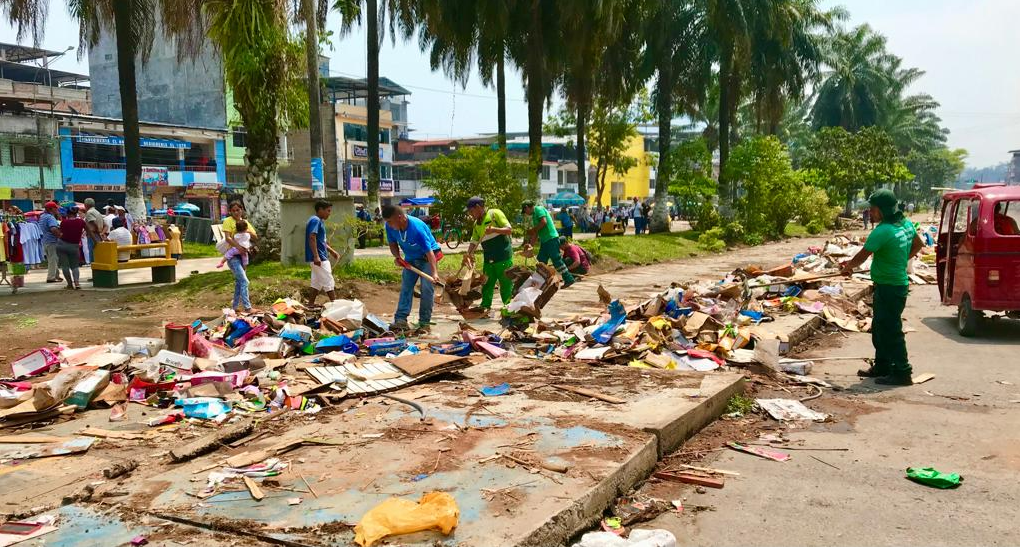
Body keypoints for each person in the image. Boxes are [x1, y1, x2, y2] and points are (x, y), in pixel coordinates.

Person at [841, 189, 924, 386]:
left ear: (883, 210)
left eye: (873, 209)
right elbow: (919, 244)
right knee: (880, 328)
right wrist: (900, 259)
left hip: (890, 287)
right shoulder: (905, 224)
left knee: (891, 330)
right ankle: (882, 365)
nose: (870, 212)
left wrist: (848, 268)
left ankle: (902, 372)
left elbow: (862, 255)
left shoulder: (882, 231)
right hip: (892, 286)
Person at [382, 204, 443, 332]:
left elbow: (429, 253)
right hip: (410, 258)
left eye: (390, 221)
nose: (388, 225)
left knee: (427, 288)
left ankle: (424, 323)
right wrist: (398, 257)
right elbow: (393, 244)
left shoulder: (417, 228)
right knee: (406, 286)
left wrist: (434, 273)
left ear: (400, 217)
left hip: (427, 258)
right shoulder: (390, 226)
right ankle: (401, 320)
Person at [463, 196, 514, 312]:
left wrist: (494, 230)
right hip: (488, 258)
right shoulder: (476, 224)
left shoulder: (494, 214)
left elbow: (509, 229)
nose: (470, 214)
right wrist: (468, 254)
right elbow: (474, 241)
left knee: (505, 284)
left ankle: (509, 308)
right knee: (486, 283)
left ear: (478, 207)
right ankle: (485, 306)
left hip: (503, 257)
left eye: (471, 211)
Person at [522, 201, 576, 288]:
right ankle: (539, 282)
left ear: (527, 207)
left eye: (525, 211)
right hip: (545, 241)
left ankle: (569, 278)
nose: (526, 213)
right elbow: (536, 233)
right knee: (541, 261)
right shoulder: (534, 216)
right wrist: (530, 246)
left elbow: (544, 222)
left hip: (551, 238)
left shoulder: (538, 209)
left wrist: (533, 229)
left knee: (556, 260)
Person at [306, 200, 341, 305]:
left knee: (316, 283)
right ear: (320, 209)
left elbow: (321, 242)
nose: (329, 213)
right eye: (328, 211)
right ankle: (335, 305)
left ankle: (310, 305)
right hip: (319, 257)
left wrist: (332, 251)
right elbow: (312, 237)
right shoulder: (315, 220)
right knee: (328, 281)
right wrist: (316, 256)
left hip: (319, 256)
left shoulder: (318, 221)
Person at [56, 206, 86, 290]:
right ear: (76, 214)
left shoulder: (64, 222)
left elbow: (61, 233)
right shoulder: (81, 222)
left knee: (65, 266)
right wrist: (95, 241)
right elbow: (89, 231)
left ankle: (69, 284)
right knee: (75, 266)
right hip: (74, 246)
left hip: (62, 245)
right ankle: (77, 283)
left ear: (68, 214)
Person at [40, 201, 62, 283]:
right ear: (51, 209)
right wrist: (60, 235)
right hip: (52, 241)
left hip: (45, 241)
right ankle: (51, 277)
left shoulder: (42, 216)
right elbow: (53, 229)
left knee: (52, 259)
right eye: (56, 208)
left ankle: (56, 275)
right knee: (53, 260)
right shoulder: (50, 217)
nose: (57, 209)